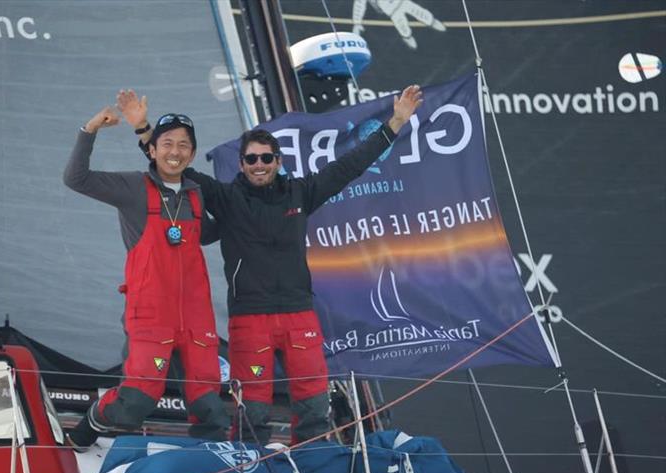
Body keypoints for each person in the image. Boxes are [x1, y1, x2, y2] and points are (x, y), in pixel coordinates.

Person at [124, 85, 423, 445]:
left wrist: (395, 122)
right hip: (250, 318)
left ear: (278, 162)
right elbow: (171, 163)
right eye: (252, 159)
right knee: (254, 411)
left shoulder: (301, 192)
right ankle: (248, 471)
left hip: (299, 314)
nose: (259, 165)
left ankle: (312, 464)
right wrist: (143, 131)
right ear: (242, 164)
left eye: (267, 158)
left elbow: (350, 165)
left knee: (314, 405)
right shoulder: (226, 197)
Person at [63, 97, 228, 450]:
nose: (175, 151)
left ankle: (210, 467)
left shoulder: (198, 196)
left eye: (184, 145)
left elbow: (211, 233)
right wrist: (89, 129)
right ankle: (89, 425)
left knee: (210, 406)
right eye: (167, 143)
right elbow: (75, 179)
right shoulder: (133, 188)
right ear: (151, 150)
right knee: (137, 400)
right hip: (152, 315)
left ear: (193, 155)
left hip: (197, 319)